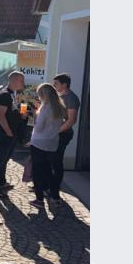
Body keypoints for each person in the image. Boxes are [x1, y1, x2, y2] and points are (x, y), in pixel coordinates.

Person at [28, 83, 67, 209]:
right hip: (52, 142)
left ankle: (39, 199)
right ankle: (55, 196)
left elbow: (39, 128)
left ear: (43, 95)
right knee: (48, 171)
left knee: (37, 173)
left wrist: (34, 118)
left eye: (39, 94)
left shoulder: (45, 108)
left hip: (39, 143)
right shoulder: (60, 107)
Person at [0, 71, 27, 197]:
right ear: (13, 80)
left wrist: (23, 113)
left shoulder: (16, 94)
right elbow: (0, 115)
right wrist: (8, 132)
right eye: (21, 80)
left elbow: (20, 109)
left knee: (5, 159)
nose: (23, 83)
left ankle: (2, 182)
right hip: (6, 132)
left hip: (13, 132)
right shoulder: (5, 95)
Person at [52, 73, 81, 202]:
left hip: (63, 134)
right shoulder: (59, 96)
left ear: (64, 84)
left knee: (56, 162)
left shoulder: (71, 98)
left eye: (56, 83)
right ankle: (48, 187)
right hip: (55, 133)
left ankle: (54, 192)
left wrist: (56, 132)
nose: (54, 85)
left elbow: (71, 120)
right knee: (51, 161)